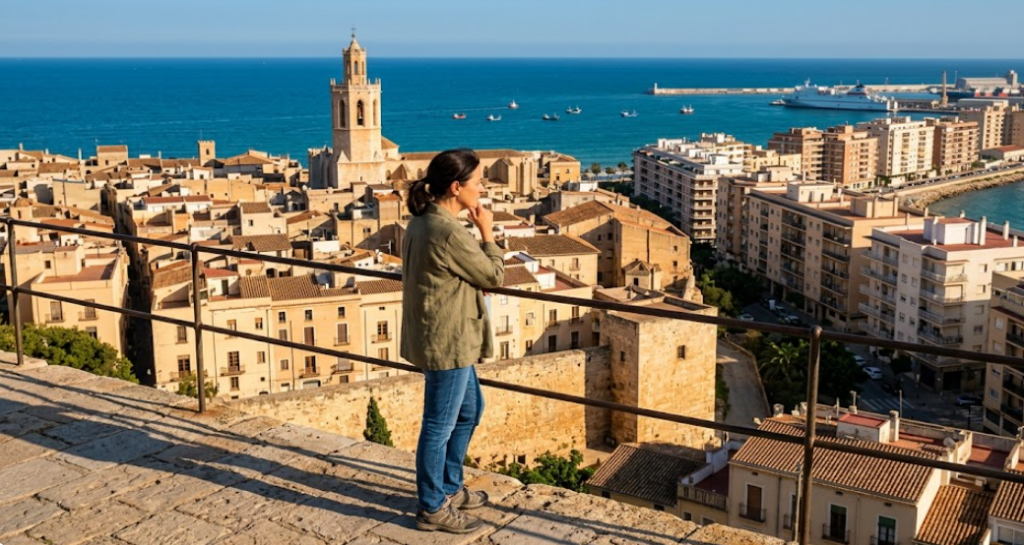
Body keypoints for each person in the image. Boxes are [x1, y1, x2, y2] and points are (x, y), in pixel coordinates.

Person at [401, 148, 505, 534]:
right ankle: (432, 506)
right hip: (449, 339)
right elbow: (493, 275)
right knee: (438, 425)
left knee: (469, 410)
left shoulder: (423, 220)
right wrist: (487, 232)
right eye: (478, 182)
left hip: (441, 333)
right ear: (457, 186)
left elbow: (449, 273)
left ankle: (448, 486)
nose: (482, 189)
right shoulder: (447, 231)